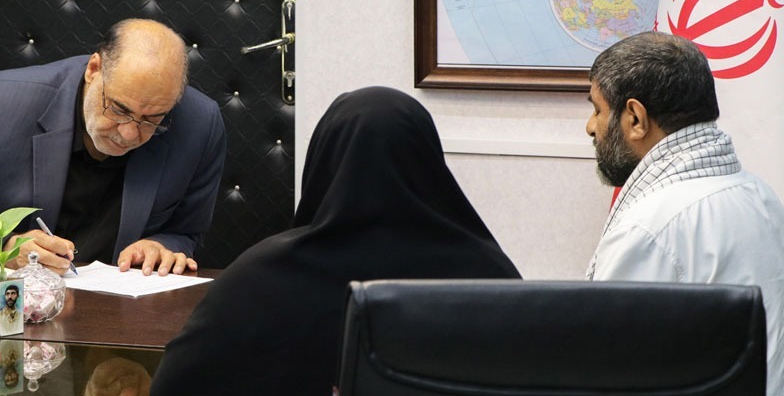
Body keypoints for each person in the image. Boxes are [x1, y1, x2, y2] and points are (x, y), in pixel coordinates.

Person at [150, 86, 521, 396]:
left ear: (325, 161)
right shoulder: (489, 276)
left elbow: (175, 384)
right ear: (429, 163)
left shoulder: (259, 279)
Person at [0, 19, 226, 276]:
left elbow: (185, 232)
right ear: (93, 70)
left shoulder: (199, 124)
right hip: (8, 313)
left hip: (123, 319)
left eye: (151, 119)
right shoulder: (0, 102)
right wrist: (5, 246)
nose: (128, 133)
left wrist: (161, 246)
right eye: (119, 109)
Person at [584, 31, 784, 395]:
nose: (590, 126)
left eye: (598, 109)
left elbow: (612, 373)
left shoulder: (649, 228)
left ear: (635, 118)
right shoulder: (760, 195)